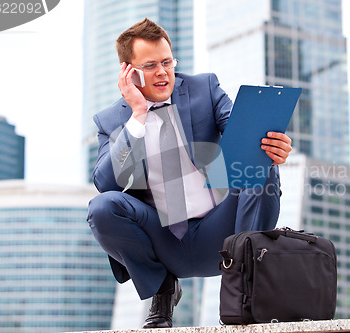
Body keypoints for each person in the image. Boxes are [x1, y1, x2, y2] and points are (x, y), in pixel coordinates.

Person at [87, 18, 293, 329]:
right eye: (151, 65)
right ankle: (162, 289)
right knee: (101, 208)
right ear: (128, 71)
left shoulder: (204, 89)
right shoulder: (111, 120)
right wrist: (138, 116)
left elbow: (242, 135)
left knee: (259, 162)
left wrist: (274, 147)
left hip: (223, 230)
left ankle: (248, 284)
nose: (162, 72)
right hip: (164, 240)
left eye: (167, 62)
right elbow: (104, 183)